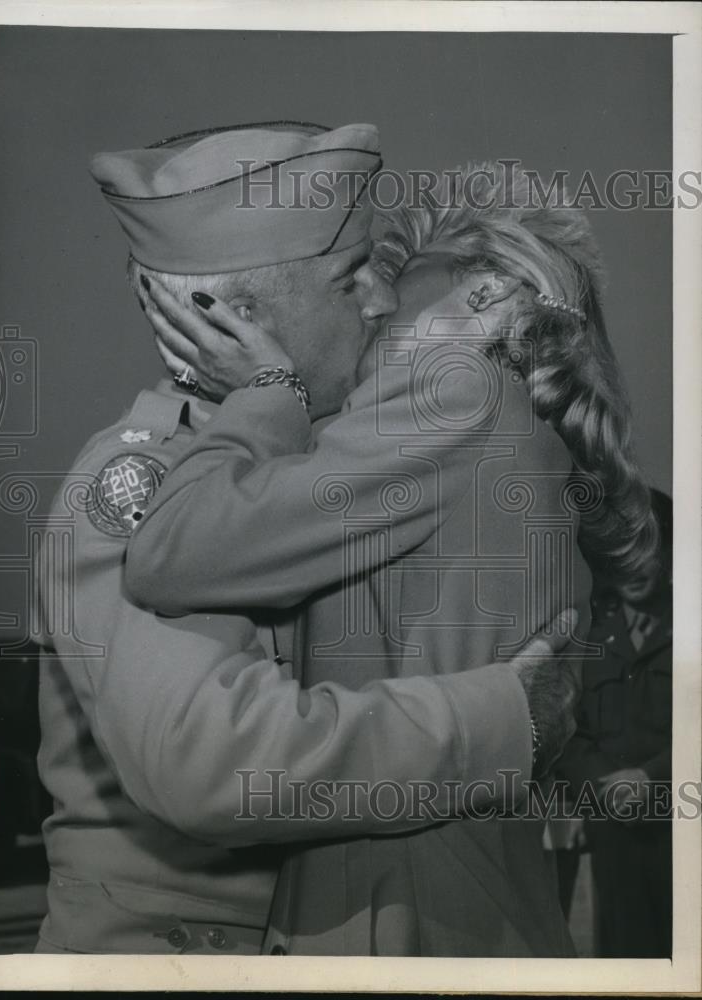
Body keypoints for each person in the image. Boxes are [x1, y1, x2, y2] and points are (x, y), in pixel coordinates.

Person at [32, 123, 577, 955]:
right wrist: (501, 718)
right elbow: (213, 764)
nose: (381, 301)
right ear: (228, 314)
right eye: (349, 277)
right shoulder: (138, 482)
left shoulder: (333, 456)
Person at [125, 165, 659, 954]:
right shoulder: (524, 443)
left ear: (485, 299)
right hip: (473, 897)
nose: (370, 316)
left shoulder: (456, 394)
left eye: (391, 297)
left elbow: (172, 553)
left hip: (389, 899)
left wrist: (268, 390)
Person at [558, 489, 672, 957]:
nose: (633, 565)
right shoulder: (591, 638)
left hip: (681, 830)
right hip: (613, 832)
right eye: (622, 552)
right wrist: (604, 787)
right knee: (624, 960)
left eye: (645, 549)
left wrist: (652, 777)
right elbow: (569, 735)